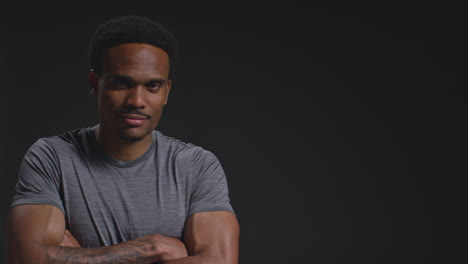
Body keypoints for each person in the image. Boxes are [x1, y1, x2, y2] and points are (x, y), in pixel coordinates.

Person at [7, 15, 239, 264]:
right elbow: (27, 258)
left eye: (152, 86)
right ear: (95, 83)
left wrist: (79, 257)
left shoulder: (197, 166)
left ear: (166, 92)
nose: (137, 101)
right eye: (122, 83)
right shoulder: (51, 158)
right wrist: (153, 249)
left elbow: (221, 261)